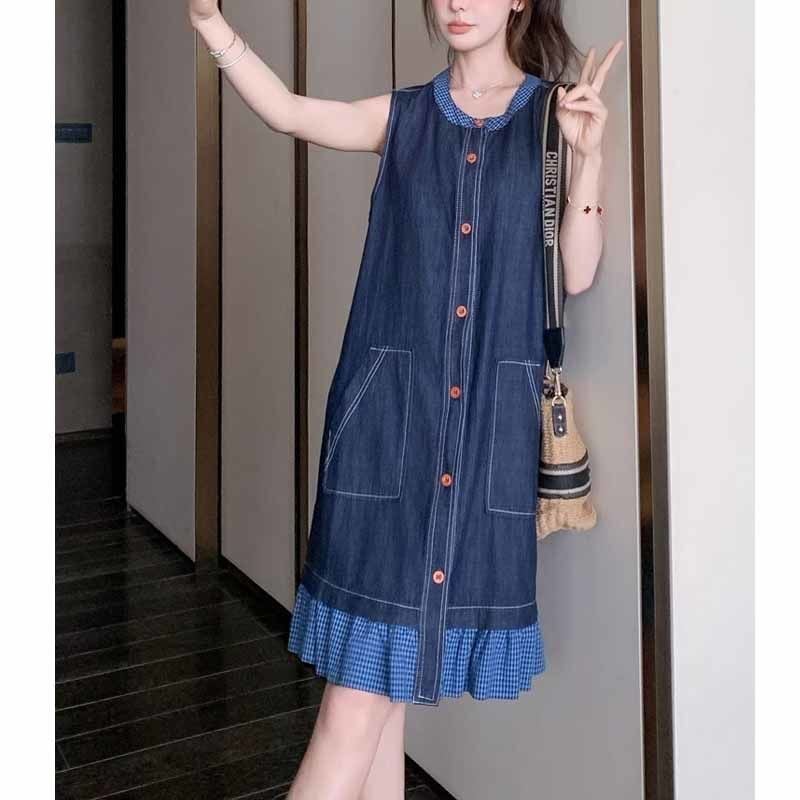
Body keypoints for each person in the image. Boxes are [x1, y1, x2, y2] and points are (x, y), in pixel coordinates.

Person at [188, 1, 622, 797]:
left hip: (483, 435)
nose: (457, 2)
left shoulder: (554, 118)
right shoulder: (405, 117)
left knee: (378, 703)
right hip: (388, 430)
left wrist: (589, 158)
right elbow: (288, 112)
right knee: (359, 703)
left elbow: (577, 272)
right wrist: (210, 22)